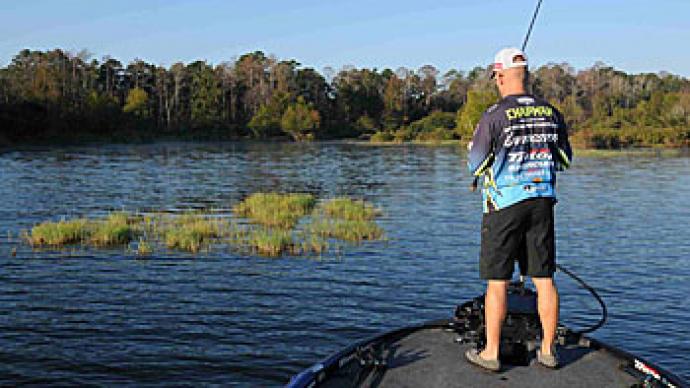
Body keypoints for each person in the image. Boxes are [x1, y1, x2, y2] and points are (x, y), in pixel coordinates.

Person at [464, 47, 573, 372]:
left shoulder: (494, 115)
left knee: (497, 281)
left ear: (499, 76)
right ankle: (548, 351)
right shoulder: (552, 113)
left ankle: (491, 353)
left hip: (504, 205)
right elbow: (564, 160)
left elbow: (476, 164)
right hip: (542, 202)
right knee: (544, 279)